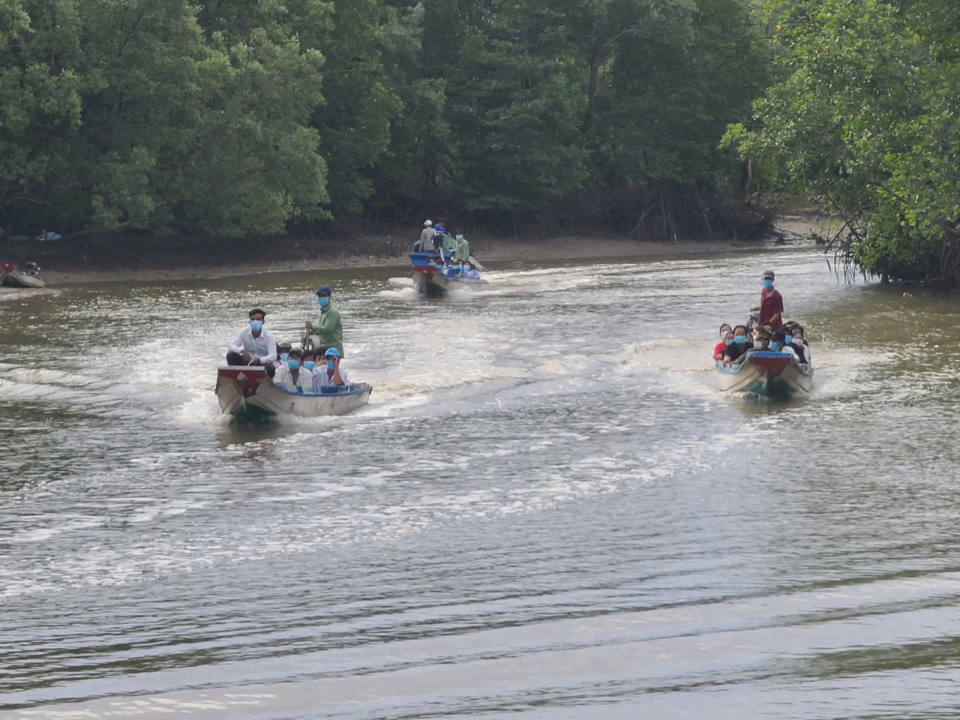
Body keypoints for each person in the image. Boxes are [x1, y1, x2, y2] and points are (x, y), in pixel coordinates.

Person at [227, 308, 278, 377]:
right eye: (253, 319)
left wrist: (259, 360)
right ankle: (235, 378)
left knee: (271, 368)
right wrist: (241, 350)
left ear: (263, 322)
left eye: (258, 319)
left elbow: (273, 356)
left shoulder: (269, 336)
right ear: (249, 322)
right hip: (247, 361)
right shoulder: (244, 332)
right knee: (231, 355)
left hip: (261, 363)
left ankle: (266, 383)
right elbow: (231, 346)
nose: (255, 321)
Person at [305, 285, 344, 358]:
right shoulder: (324, 312)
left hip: (333, 348)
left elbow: (327, 329)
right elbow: (322, 329)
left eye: (323, 296)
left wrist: (312, 327)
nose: (321, 298)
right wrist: (314, 332)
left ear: (329, 297)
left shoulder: (332, 312)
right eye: (319, 296)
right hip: (326, 346)